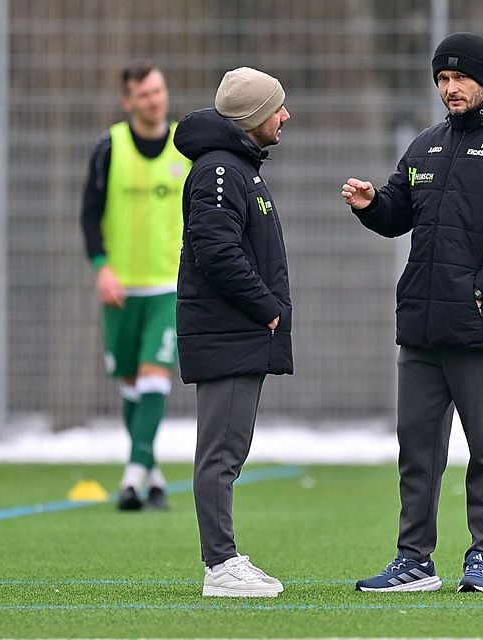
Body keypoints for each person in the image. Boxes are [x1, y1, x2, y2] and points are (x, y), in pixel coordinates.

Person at [341, 32, 483, 593]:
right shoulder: (426, 145)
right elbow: (400, 212)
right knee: (417, 449)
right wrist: (373, 206)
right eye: (441, 79)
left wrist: (481, 289)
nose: (450, 88)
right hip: (422, 326)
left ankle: (481, 556)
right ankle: (414, 559)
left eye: (459, 78)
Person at [173, 67, 293, 598]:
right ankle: (220, 566)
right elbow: (216, 250)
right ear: (253, 118)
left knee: (230, 452)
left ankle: (224, 559)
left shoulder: (238, 167)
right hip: (228, 332)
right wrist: (266, 306)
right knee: (220, 454)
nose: (285, 116)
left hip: (239, 334)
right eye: (277, 108)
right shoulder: (219, 170)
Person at [80, 61, 191, 511]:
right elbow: (89, 214)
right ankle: (154, 474)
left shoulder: (186, 146)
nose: (155, 100)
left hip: (169, 285)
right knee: (130, 383)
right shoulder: (110, 146)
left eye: (159, 90)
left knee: (153, 376)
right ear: (128, 101)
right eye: (144, 94)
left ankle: (130, 477)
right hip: (121, 288)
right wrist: (102, 267)